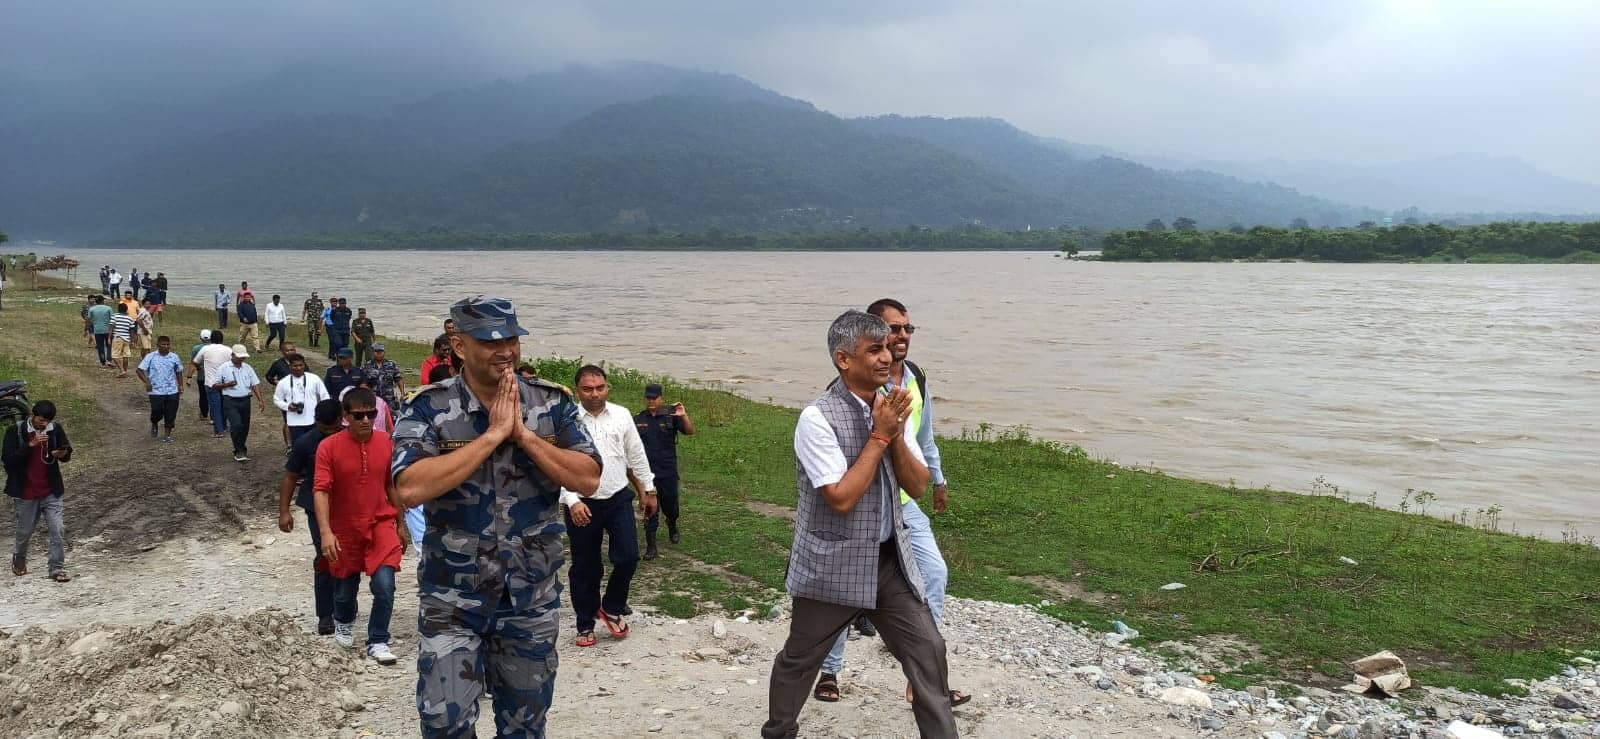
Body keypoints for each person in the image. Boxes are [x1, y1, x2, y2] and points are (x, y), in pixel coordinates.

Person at [390, 295, 601, 738]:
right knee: (444, 723)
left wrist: (523, 436)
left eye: (511, 339)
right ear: (460, 345)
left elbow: (588, 478)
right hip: (452, 599)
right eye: (490, 341)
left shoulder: (551, 404)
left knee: (524, 726)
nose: (505, 350)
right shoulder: (428, 407)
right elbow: (407, 488)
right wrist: (490, 438)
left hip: (530, 597)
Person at [762, 310, 954, 739]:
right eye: (875, 349)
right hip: (834, 562)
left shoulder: (888, 405)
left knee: (928, 650)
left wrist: (895, 431)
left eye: (887, 346)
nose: (887, 357)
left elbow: (917, 486)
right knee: (800, 659)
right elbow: (841, 497)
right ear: (843, 359)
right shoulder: (818, 418)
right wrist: (881, 436)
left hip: (887, 560)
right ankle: (778, 731)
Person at [817, 298, 965, 705]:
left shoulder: (914, 377)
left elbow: (924, 435)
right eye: (889, 332)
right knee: (846, 588)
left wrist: (938, 478)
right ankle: (829, 670)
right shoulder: (855, 388)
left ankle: (924, 678)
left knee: (933, 574)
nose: (898, 338)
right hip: (863, 503)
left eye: (906, 329)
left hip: (903, 500)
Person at [560, 365, 656, 647]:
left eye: (599, 388)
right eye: (588, 389)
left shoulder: (622, 415)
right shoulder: (567, 420)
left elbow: (636, 454)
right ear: (578, 390)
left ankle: (612, 607)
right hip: (582, 502)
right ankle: (584, 623)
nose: (594, 394)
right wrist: (571, 499)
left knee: (628, 557)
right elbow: (557, 464)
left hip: (617, 497)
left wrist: (648, 489)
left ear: (607, 387)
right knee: (585, 566)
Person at [315, 387, 404, 664]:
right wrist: (326, 532)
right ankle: (343, 622)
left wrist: (402, 523)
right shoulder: (328, 447)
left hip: (380, 523)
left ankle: (378, 638)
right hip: (344, 527)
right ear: (345, 416)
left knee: (385, 585)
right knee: (344, 591)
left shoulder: (386, 443)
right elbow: (321, 490)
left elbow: (391, 485)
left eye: (370, 414)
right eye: (358, 415)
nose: (365, 420)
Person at [278, 399, 344, 635]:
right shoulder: (305, 443)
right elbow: (290, 477)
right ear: (316, 422)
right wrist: (284, 511)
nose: (328, 434)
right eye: (324, 429)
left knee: (347, 556)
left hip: (346, 507)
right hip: (316, 508)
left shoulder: (350, 439)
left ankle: (345, 607)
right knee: (325, 556)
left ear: (341, 420)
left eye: (333, 429)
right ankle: (325, 614)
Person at [5, 400, 73, 582]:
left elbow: (66, 451)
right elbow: (8, 461)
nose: (43, 425)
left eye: (47, 422)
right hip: (25, 491)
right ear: (32, 416)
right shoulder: (16, 431)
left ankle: (57, 568)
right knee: (25, 531)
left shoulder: (55, 429)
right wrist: (30, 445)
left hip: (51, 490)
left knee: (57, 529)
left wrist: (62, 453)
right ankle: (19, 558)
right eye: (41, 420)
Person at [635, 383, 695, 560]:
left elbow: (690, 432)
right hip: (647, 474)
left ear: (661, 398)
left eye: (654, 398)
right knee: (649, 510)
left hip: (667, 471)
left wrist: (684, 416)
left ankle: (672, 525)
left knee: (670, 506)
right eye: (648, 398)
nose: (651, 401)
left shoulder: (671, 417)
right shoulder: (637, 420)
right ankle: (651, 545)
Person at [215, 344, 266, 462]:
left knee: (245, 426)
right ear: (232, 355)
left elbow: (255, 384)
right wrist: (227, 385)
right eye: (239, 357)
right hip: (230, 400)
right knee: (236, 425)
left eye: (243, 357)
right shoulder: (224, 368)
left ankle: (241, 447)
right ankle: (239, 450)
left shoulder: (247, 368)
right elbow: (215, 385)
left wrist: (260, 400)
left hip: (245, 400)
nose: (242, 359)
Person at [275, 353, 332, 445]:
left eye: (301, 365)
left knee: (315, 446)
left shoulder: (314, 378)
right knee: (298, 446)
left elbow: (324, 395)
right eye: (295, 366)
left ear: (304, 365)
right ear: (290, 366)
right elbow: (277, 399)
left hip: (313, 420)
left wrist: (322, 412)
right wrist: (287, 406)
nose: (298, 368)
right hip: (294, 421)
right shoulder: (283, 382)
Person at [137, 335, 185, 443]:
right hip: (156, 390)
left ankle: (167, 434)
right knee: (156, 411)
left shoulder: (174, 357)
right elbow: (139, 370)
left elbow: (178, 371)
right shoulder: (150, 357)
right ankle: (155, 423)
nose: (166, 346)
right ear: (158, 345)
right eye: (163, 344)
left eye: (168, 344)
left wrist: (181, 385)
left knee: (171, 412)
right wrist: (147, 382)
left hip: (172, 390)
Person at [192, 331, 233, 437]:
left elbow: (195, 361)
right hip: (225, 382)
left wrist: (199, 368)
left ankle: (219, 430)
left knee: (215, 406)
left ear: (211, 339)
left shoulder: (205, 349)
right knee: (224, 405)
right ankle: (224, 426)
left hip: (211, 382)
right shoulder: (228, 350)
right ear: (222, 339)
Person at [363, 343, 404, 410]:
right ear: (373, 352)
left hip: (389, 400)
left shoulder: (391, 364)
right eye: (377, 351)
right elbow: (363, 383)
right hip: (373, 399)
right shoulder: (367, 366)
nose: (379, 354)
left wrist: (402, 393)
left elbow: (398, 379)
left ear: (384, 352)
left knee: (390, 418)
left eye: (381, 351)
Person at [108, 303, 137, 379]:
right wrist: (133, 340)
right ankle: (124, 371)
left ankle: (122, 370)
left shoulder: (114, 316)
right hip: (127, 338)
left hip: (118, 337)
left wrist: (109, 337)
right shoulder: (130, 318)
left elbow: (111, 327)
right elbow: (132, 331)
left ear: (118, 309)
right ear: (126, 309)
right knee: (126, 355)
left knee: (114, 355)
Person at [191, 330, 214, 420]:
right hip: (213, 376)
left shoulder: (196, 348)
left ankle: (204, 414)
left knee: (203, 395)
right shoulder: (215, 348)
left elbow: (193, 362)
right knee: (214, 396)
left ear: (200, 338)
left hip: (202, 376)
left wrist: (198, 368)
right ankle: (213, 416)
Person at [87, 295, 113, 368]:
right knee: (109, 346)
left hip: (97, 330)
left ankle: (103, 363)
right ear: (103, 301)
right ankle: (109, 360)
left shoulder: (92, 309)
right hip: (108, 330)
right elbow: (112, 319)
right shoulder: (108, 308)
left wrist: (87, 328)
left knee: (100, 347)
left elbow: (88, 319)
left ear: (95, 301)